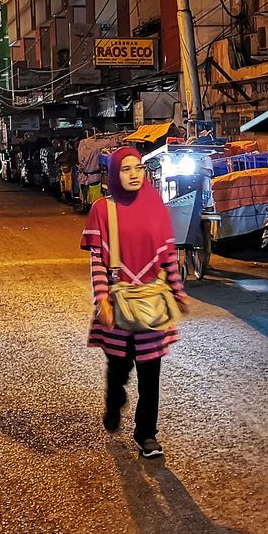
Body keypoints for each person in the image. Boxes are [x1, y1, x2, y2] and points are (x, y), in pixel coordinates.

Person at [80, 147, 189, 459]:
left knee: (150, 370)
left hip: (151, 301)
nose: (133, 174)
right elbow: (98, 262)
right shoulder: (102, 209)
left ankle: (146, 434)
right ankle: (114, 400)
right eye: (125, 169)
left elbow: (168, 257)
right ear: (114, 173)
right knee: (118, 366)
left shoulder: (155, 207)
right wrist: (101, 299)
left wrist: (178, 292)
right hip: (117, 300)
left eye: (138, 168)